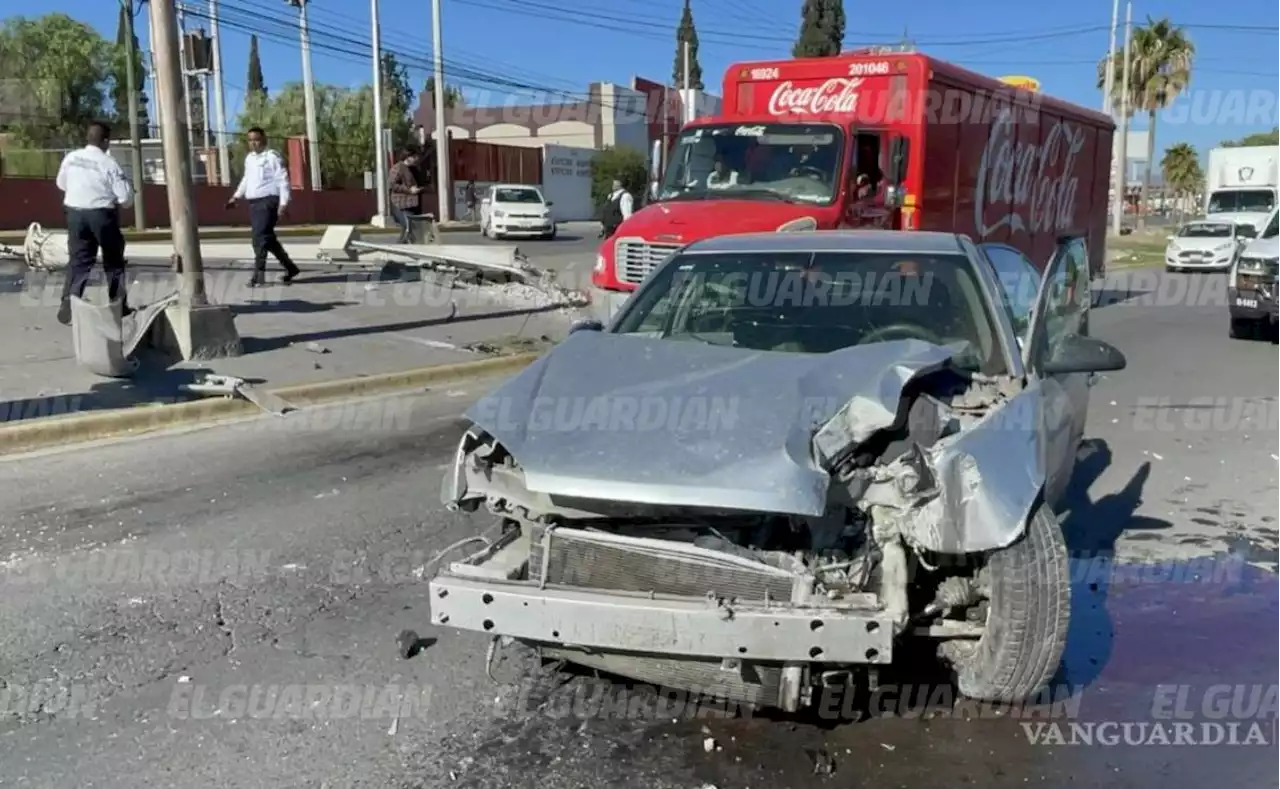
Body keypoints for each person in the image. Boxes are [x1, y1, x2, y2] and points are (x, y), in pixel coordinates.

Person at [54, 120, 134, 326]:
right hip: (101, 215)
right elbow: (125, 199)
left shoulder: (71, 158)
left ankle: (68, 304)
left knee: (78, 261)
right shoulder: (109, 163)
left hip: (74, 214)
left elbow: (61, 183)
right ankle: (118, 305)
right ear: (106, 141)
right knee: (113, 260)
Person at [226, 126, 300, 287]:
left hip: (269, 201)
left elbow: (283, 180)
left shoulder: (272, 157)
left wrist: (283, 203)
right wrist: (236, 196)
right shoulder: (249, 159)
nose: (254, 144)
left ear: (264, 140)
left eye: (257, 140)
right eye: (250, 140)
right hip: (254, 203)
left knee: (259, 238)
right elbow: (246, 180)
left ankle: (258, 276)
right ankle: (291, 268)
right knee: (267, 239)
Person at [388, 148, 424, 243]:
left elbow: (419, 183)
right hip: (402, 204)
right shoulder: (398, 167)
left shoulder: (415, 169)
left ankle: (401, 246)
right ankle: (404, 246)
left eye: (417, 156)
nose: (417, 159)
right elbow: (393, 185)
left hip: (414, 203)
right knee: (411, 228)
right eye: (414, 156)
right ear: (408, 157)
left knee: (409, 229)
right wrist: (408, 190)